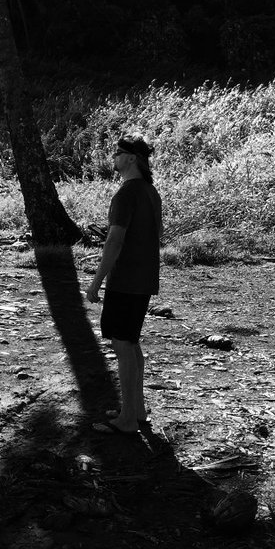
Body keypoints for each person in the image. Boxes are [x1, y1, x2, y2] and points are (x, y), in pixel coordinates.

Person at [86, 133, 162, 435]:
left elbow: (114, 240)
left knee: (122, 344)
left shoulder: (127, 193)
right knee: (130, 343)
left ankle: (128, 419)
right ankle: (137, 410)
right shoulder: (150, 191)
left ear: (131, 158)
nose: (113, 158)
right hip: (144, 279)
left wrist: (96, 281)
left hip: (126, 280)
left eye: (118, 153)